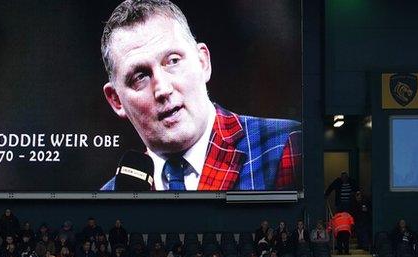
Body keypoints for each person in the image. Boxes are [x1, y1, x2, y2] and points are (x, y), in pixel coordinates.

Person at [100, 0, 300, 191]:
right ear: (116, 100)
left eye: (173, 61)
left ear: (203, 62)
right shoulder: (109, 201)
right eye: (140, 76)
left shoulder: (285, 145)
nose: (162, 89)